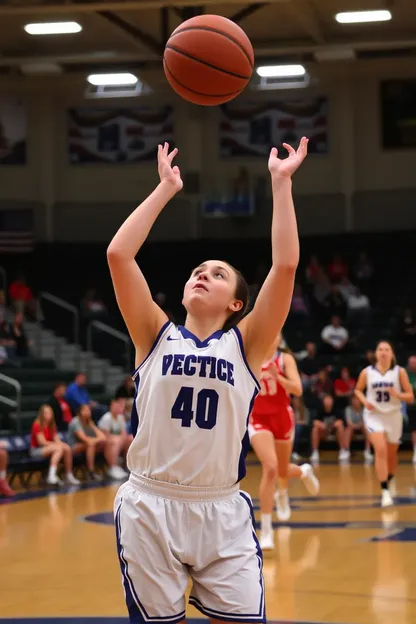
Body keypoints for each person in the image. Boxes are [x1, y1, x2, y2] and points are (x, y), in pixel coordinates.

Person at [107, 139, 308, 623]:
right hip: (149, 504)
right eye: (198, 270)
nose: (202, 275)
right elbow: (119, 254)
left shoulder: (247, 345)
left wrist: (281, 184)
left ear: (236, 303)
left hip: (220, 508)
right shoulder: (153, 333)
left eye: (217, 275)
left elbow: (285, 267)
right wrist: (164, 189)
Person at [248, 333, 319, 549]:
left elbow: (297, 389)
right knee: (269, 468)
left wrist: (277, 376)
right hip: (258, 418)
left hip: (282, 418)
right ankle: (266, 531)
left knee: (280, 470)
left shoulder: (284, 359)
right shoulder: (251, 356)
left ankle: (302, 472)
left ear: (280, 339)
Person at [354, 341, 414, 507]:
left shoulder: (399, 371)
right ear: (376, 353)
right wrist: (365, 401)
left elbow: (410, 397)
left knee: (391, 454)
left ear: (392, 353)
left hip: (394, 416)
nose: (383, 352)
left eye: (387, 349)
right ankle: (385, 490)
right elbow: (357, 389)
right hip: (374, 415)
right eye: (380, 349)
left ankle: (390, 477)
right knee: (380, 449)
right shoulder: (367, 372)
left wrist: (398, 395)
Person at [30, 405, 80, 486]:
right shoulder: (37, 424)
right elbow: (42, 442)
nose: (48, 414)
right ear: (41, 414)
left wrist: (61, 444)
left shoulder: (52, 425)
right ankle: (51, 475)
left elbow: (56, 439)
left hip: (49, 448)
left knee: (67, 448)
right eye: (46, 413)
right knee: (58, 448)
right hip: (37, 450)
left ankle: (69, 475)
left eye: (49, 412)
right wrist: (57, 445)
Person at [67, 404, 106, 482]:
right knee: (91, 445)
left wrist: (95, 440)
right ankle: (91, 472)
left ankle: (112, 467)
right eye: (85, 410)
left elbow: (103, 437)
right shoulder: (75, 421)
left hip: (86, 446)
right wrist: (96, 440)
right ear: (80, 412)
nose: (88, 412)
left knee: (103, 443)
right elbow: (85, 439)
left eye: (89, 410)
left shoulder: (89, 422)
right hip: (72, 448)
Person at [311, 394, 349, 463]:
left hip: (334, 431)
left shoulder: (336, 408)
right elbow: (314, 421)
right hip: (324, 431)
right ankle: (315, 452)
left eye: (329, 400)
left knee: (340, 427)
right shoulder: (320, 409)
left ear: (332, 401)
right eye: (326, 401)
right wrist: (321, 425)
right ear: (323, 402)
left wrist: (335, 424)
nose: (328, 402)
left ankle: (343, 450)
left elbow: (341, 421)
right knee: (315, 429)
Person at [98, 398, 130, 480]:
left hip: (117, 441)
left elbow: (124, 433)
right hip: (103, 443)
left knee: (130, 439)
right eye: (115, 406)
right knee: (114, 442)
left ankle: (128, 466)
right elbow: (106, 435)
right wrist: (119, 439)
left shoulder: (120, 417)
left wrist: (121, 439)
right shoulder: (106, 418)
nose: (117, 408)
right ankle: (113, 467)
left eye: (118, 406)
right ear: (111, 407)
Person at [344, 395, 372, 463]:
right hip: (352, 428)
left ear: (360, 401)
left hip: (362, 427)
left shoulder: (365, 409)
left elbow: (365, 421)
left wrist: (360, 425)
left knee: (367, 428)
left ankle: (367, 450)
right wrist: (356, 425)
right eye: (354, 399)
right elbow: (349, 422)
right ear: (351, 401)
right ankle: (346, 451)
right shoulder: (348, 409)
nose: (355, 401)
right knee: (348, 429)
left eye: (357, 399)